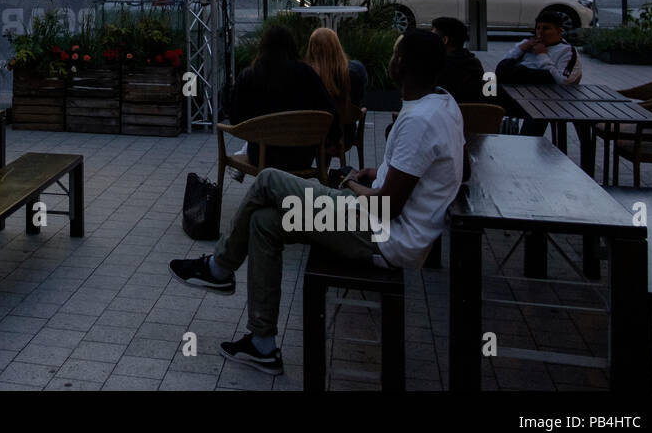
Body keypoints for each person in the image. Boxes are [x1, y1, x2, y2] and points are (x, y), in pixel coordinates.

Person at [171, 30, 464, 372]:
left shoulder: (419, 121)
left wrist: (351, 183)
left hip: (381, 235)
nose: (391, 59)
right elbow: (453, 167)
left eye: (395, 54)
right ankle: (261, 343)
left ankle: (219, 267)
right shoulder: (443, 102)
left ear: (400, 64)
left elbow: (387, 206)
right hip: (375, 224)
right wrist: (379, 172)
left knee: (267, 178)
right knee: (263, 222)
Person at [223, 23, 339, 175]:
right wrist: (333, 138)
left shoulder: (249, 77)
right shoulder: (306, 74)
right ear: (292, 47)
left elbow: (236, 119)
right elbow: (330, 112)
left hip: (261, 157)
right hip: (301, 156)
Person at [495, 10, 581, 135]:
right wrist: (521, 48)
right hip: (514, 93)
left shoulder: (567, 51)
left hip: (545, 100)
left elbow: (563, 81)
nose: (540, 32)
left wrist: (542, 55)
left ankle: (526, 144)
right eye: (538, 28)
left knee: (537, 109)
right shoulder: (527, 44)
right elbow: (502, 66)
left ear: (559, 31)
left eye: (546, 28)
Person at [304, 27, 366, 155]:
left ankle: (322, 170)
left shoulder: (307, 75)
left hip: (314, 138)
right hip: (345, 136)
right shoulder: (354, 71)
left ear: (312, 49)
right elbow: (360, 96)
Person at [432, 16, 486, 103]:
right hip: (475, 114)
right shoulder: (475, 63)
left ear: (444, 40)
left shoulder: (437, 67)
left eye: (433, 37)